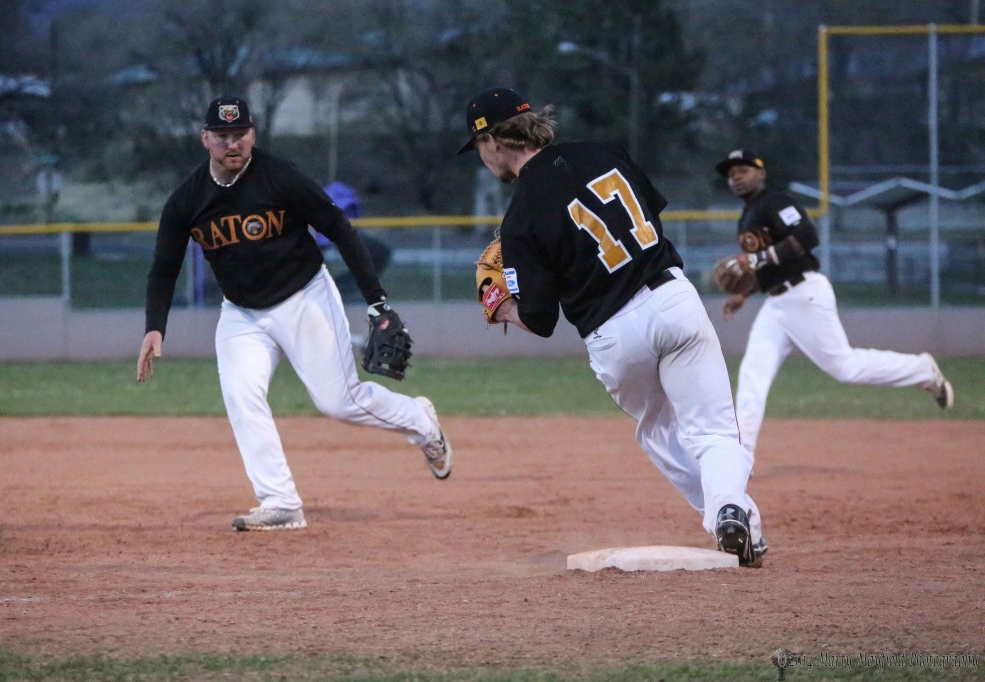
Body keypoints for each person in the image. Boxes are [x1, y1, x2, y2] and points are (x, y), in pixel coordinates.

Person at [458, 87, 767, 566]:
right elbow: (651, 214)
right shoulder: (603, 152)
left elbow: (539, 320)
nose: (482, 158)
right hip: (671, 298)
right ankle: (732, 509)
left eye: (478, 147)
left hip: (613, 334)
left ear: (495, 142)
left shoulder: (519, 217)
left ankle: (734, 522)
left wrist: (500, 308)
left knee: (659, 431)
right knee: (714, 433)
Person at [136, 95, 453, 532]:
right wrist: (155, 326)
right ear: (205, 138)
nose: (233, 143)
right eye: (223, 135)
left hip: (304, 298)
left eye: (240, 133)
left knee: (338, 402)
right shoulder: (186, 200)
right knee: (241, 396)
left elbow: (339, 228)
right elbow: (164, 267)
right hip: (242, 313)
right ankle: (280, 501)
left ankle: (420, 421)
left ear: (253, 134)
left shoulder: (279, 177)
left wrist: (377, 300)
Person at [716, 148, 954, 454]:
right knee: (752, 375)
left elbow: (806, 237)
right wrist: (743, 294)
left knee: (845, 368)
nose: (736, 177)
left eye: (743, 170)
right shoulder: (746, 218)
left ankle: (922, 369)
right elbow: (768, 267)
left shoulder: (775, 202)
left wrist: (758, 258)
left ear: (761, 174)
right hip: (777, 304)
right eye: (731, 174)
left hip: (804, 294)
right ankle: (740, 453)